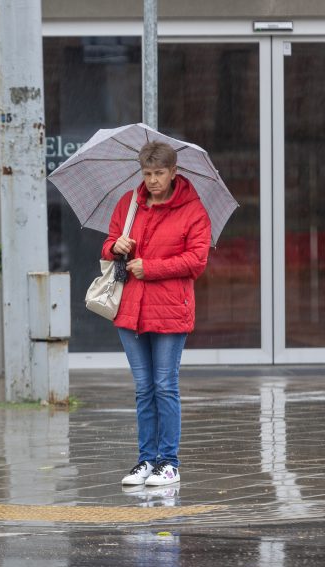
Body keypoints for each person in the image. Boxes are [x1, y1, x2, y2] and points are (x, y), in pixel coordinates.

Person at [102, 141, 211, 487]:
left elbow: (197, 260)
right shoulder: (129, 204)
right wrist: (114, 246)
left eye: (159, 173)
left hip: (170, 310)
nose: (152, 181)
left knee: (165, 386)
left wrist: (152, 268)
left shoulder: (193, 210)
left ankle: (169, 462)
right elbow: (108, 243)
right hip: (130, 310)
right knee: (143, 388)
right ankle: (145, 461)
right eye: (147, 174)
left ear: (174, 172)